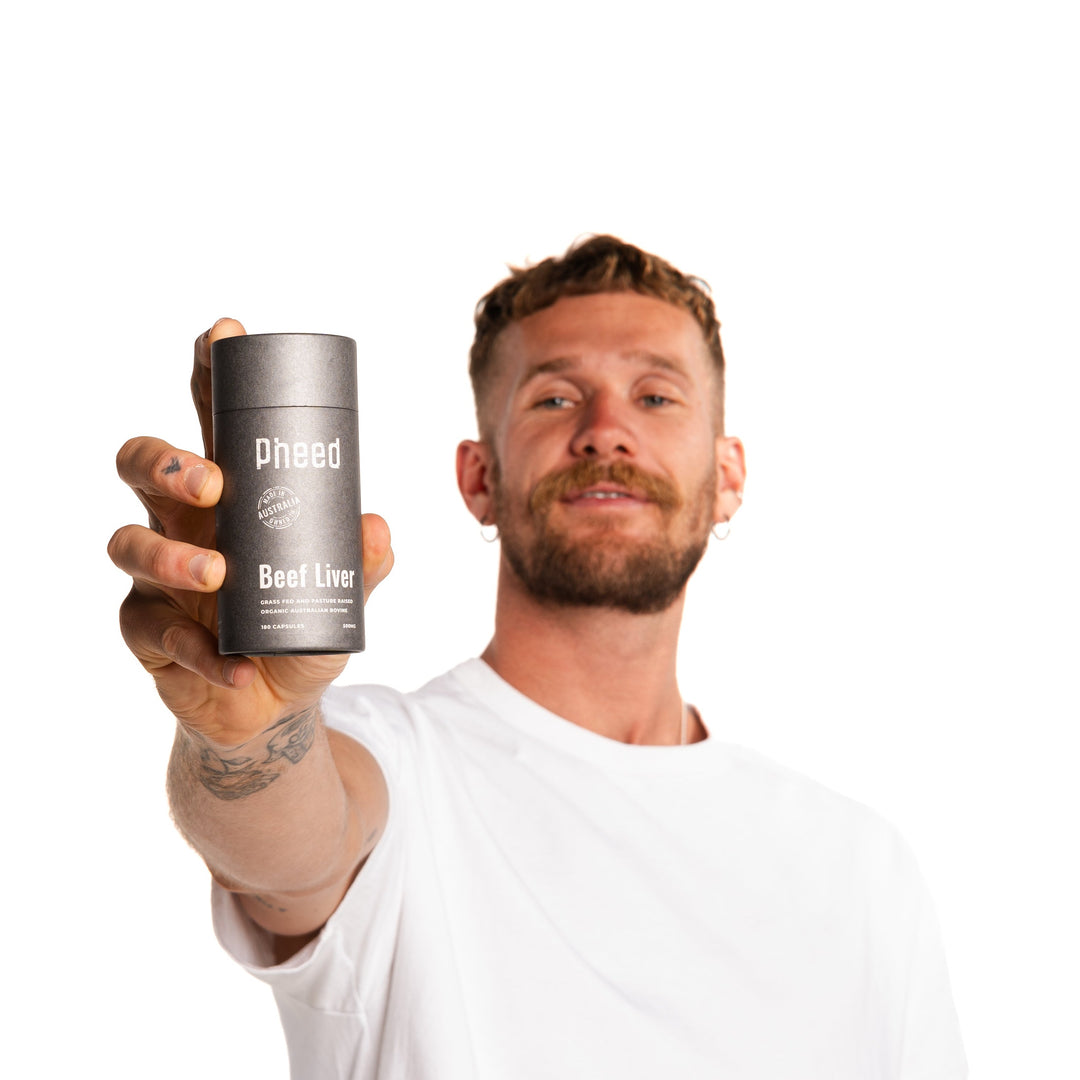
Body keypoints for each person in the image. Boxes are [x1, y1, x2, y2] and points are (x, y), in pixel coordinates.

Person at [109, 235, 967, 1079]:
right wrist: (248, 737)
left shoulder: (859, 867)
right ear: (479, 477)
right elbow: (294, 850)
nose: (605, 432)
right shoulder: (398, 766)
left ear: (727, 473)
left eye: (657, 397)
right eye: (556, 400)